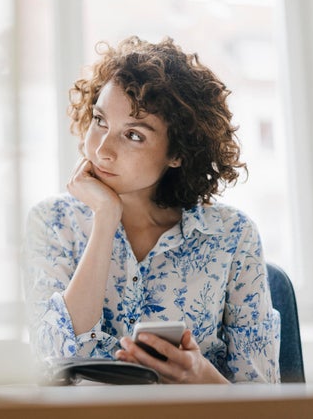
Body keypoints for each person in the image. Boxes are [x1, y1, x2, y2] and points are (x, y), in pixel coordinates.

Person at [22, 36, 280, 384]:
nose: (102, 150)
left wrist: (201, 377)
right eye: (100, 120)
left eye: (134, 135)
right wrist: (105, 219)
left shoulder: (233, 237)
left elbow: (265, 399)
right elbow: (57, 364)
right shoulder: (52, 223)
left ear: (177, 153)